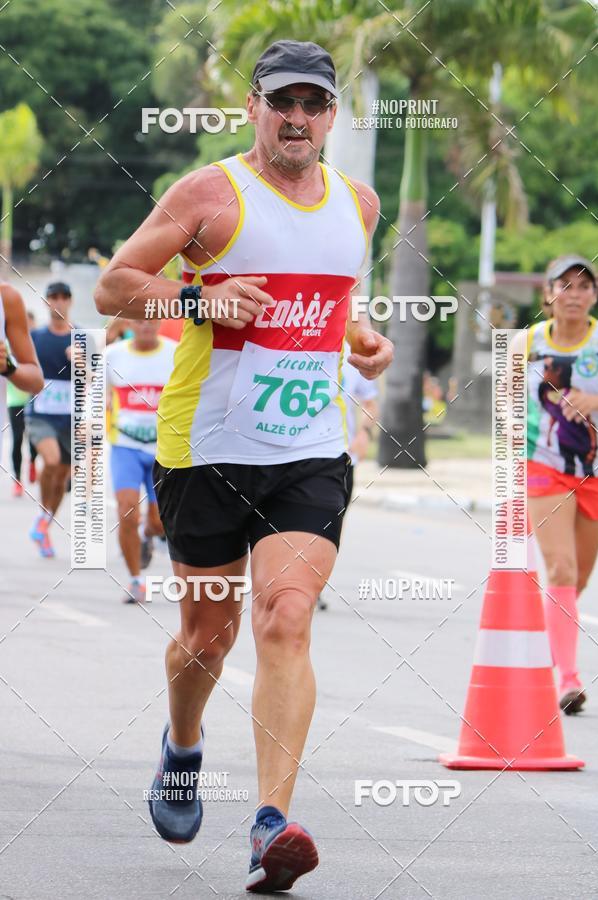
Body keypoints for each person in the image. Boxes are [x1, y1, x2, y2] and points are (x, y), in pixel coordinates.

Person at [95, 38, 392, 893]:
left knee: (286, 617)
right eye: (282, 101)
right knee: (208, 636)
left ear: (331, 115)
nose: (297, 118)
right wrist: (200, 296)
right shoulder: (209, 194)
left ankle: (269, 824)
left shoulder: (359, 203)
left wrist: (360, 337)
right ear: (254, 107)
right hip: (207, 447)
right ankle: (183, 747)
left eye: (313, 103)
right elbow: (115, 286)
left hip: (309, 449)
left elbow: (332, 298)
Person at [521, 255, 598, 714]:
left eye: (583, 286)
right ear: (548, 293)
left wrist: (595, 399)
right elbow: (505, 403)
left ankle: (552, 642)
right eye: (564, 285)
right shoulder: (526, 343)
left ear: (594, 295)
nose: (574, 294)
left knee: (579, 576)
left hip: (594, 471)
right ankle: (568, 679)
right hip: (544, 466)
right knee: (562, 569)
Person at [105, 318, 176, 602]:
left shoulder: (175, 352)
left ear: (160, 322)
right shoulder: (113, 355)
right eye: (139, 321)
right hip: (125, 446)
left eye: (151, 320)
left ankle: (148, 537)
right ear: (129, 324)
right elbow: (95, 395)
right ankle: (135, 580)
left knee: (159, 523)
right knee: (127, 512)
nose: (146, 326)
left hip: (163, 450)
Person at [318, 341, 379, 609]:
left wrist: (365, 433)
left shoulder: (353, 353)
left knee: (332, 525)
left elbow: (370, 404)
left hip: (342, 456)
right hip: (298, 454)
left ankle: (314, 585)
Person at [26, 281, 74, 558]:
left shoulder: (81, 337)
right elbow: (23, 369)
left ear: (70, 301)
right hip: (41, 414)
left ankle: (43, 524)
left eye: (64, 297)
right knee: (52, 461)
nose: (59, 302)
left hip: (70, 418)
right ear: (46, 302)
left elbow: (97, 376)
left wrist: (83, 362)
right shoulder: (35, 337)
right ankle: (42, 522)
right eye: (53, 297)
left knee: (61, 480)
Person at [0, 285, 44, 473]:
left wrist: (8, 366)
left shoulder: (6, 297)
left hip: (24, 400)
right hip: (13, 402)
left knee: (26, 438)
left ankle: (29, 466)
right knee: (18, 438)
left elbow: (37, 381)